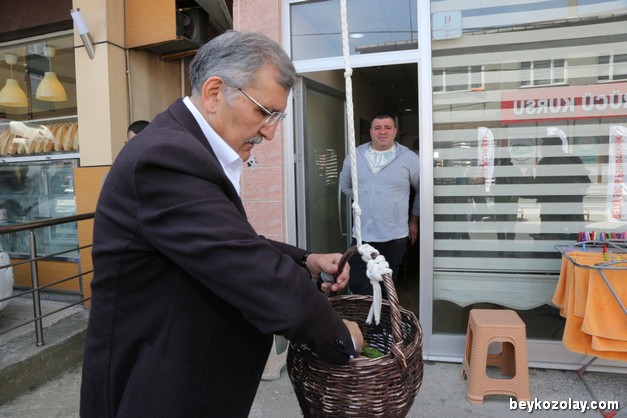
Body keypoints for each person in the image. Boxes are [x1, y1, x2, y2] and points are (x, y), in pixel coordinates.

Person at [80, 31, 363, 418]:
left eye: (277, 117)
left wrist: (306, 260)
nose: (270, 132)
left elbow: (228, 239)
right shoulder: (165, 157)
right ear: (214, 93)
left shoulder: (188, 147)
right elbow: (247, 265)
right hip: (156, 388)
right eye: (264, 112)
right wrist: (339, 335)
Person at [339, 112, 420, 297]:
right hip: (361, 236)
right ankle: (362, 316)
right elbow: (345, 187)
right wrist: (365, 200)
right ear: (371, 131)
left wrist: (414, 221)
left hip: (394, 236)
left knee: (385, 289)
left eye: (387, 128)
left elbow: (421, 191)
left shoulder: (409, 158)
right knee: (358, 284)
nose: (382, 132)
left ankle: (383, 316)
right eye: (377, 128)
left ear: (395, 131)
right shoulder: (355, 155)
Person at [534, 136, 591, 240]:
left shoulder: (545, 163)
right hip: (568, 209)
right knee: (571, 240)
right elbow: (585, 182)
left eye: (544, 146)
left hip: (554, 211)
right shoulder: (573, 160)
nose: (541, 148)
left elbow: (539, 185)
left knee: (553, 240)